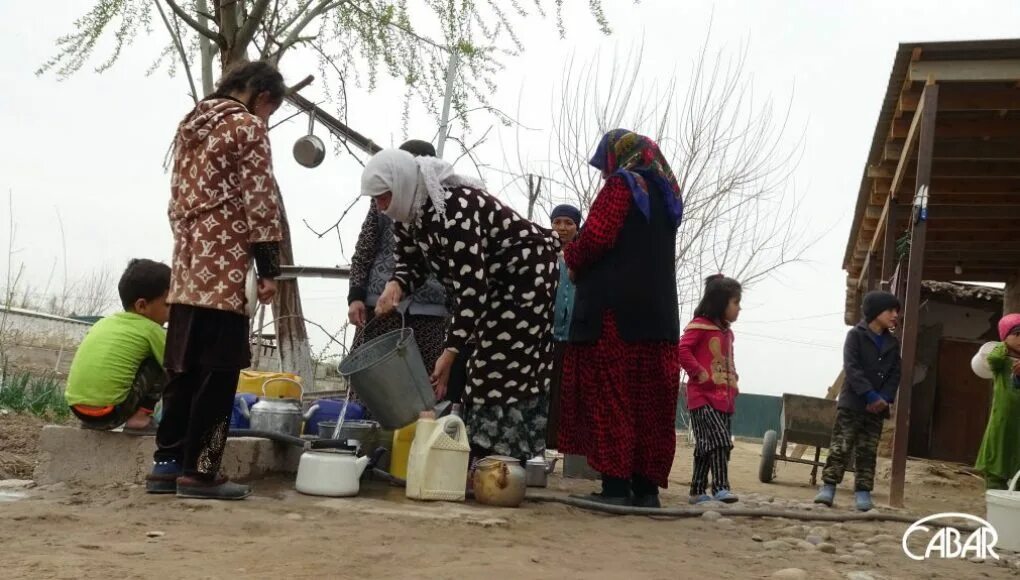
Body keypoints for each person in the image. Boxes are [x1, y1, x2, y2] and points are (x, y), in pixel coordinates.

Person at [363, 149, 559, 462]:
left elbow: (472, 289)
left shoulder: (455, 209)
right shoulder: (408, 216)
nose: (380, 206)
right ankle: (484, 455)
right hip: (489, 286)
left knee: (499, 362)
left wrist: (450, 352)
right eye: (375, 200)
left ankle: (502, 457)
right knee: (481, 362)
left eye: (382, 197)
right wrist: (395, 285)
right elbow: (410, 265)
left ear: (399, 186)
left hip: (526, 277)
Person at [148, 61, 286, 500]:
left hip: (187, 270)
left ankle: (166, 466)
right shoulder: (246, 128)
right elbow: (260, 200)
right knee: (220, 372)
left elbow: (176, 198)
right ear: (262, 96)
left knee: (182, 370)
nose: (266, 119)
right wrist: (268, 269)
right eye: (270, 110)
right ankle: (201, 472)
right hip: (223, 273)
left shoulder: (192, 123)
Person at [557, 129, 684, 508]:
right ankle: (646, 490)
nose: (603, 174)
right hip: (658, 316)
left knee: (614, 397)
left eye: (604, 164)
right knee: (651, 404)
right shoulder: (668, 194)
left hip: (616, 317)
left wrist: (572, 258)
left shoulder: (621, 187)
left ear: (619, 158)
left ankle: (615, 487)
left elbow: (595, 237)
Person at [347, 140, 449, 400]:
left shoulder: (444, 203)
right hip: (381, 307)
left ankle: (412, 439)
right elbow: (365, 248)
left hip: (429, 311)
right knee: (370, 384)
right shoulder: (384, 200)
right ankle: (362, 434)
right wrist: (356, 296)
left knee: (420, 388)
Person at [814, 290, 901, 512]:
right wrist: (870, 395)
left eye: (896, 311)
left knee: (867, 451)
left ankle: (863, 492)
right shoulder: (856, 335)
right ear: (875, 312)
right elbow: (852, 368)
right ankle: (829, 487)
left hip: (877, 409)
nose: (895, 315)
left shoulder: (892, 343)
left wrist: (885, 399)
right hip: (852, 403)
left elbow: (895, 374)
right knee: (840, 447)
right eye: (890, 310)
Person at [65, 259, 171, 434]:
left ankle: (96, 421)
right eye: (167, 304)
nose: (172, 311)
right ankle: (139, 418)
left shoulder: (103, 323)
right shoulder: (152, 330)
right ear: (142, 305)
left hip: (78, 410)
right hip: (110, 413)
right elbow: (177, 368)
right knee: (166, 361)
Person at [678, 275, 742, 505]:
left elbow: (728, 359)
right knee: (720, 440)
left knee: (706, 446)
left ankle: (696, 490)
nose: (739, 309)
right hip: (702, 397)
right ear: (720, 302)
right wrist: (699, 372)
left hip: (724, 399)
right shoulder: (699, 327)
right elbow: (682, 350)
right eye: (736, 303)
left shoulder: (727, 333)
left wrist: (733, 379)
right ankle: (721, 487)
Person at [545, 204, 582, 449]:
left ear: (577, 227)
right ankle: (545, 445)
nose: (562, 228)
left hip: (576, 336)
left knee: (570, 394)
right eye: (557, 222)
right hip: (547, 335)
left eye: (568, 223)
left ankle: (568, 447)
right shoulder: (544, 254)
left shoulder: (584, 257)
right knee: (546, 391)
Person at [974, 313, 1020, 490]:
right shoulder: (1000, 357)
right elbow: (993, 359)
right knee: (997, 460)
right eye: (1017, 334)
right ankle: (995, 495)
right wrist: (1003, 346)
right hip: (1003, 420)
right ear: (1005, 336)